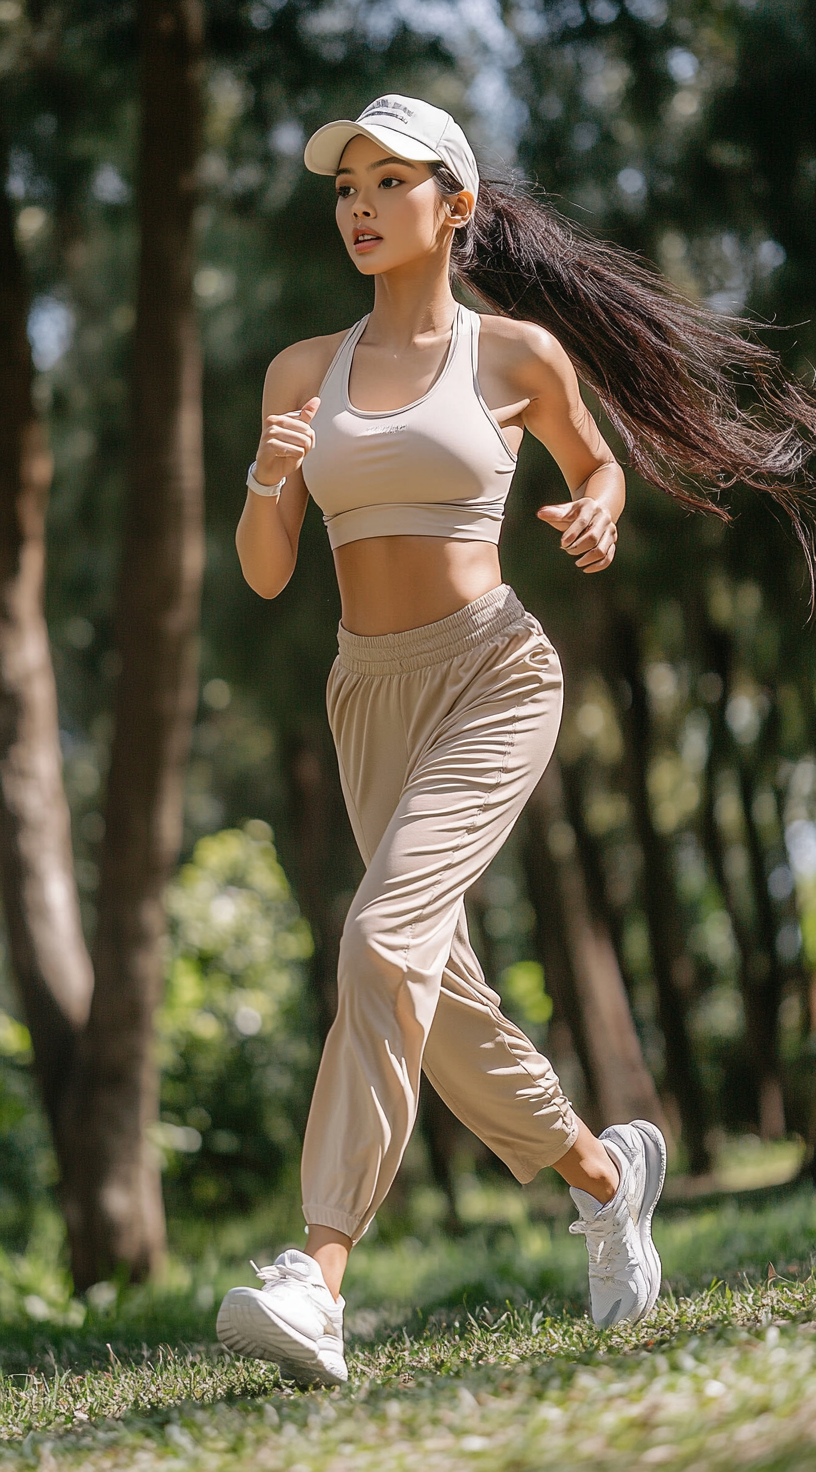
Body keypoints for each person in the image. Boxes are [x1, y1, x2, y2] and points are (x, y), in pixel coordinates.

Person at [216, 95, 816, 1387]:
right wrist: (272, 476)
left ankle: (315, 1277)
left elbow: (593, 465)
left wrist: (596, 511)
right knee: (436, 1001)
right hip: (366, 691)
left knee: (380, 940)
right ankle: (607, 1178)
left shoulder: (516, 357)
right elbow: (267, 574)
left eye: (390, 181)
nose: (360, 206)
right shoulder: (298, 372)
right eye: (345, 186)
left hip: (494, 674)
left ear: (457, 207)